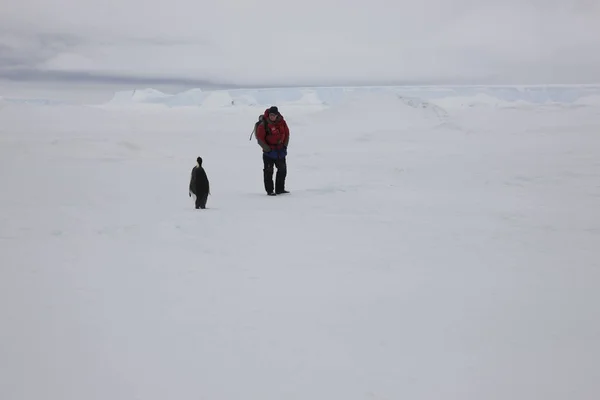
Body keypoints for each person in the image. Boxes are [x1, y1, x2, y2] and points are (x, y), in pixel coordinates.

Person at [254, 106, 290, 195]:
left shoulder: (282, 123)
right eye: (270, 115)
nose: (272, 117)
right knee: (268, 171)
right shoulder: (264, 124)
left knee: (282, 170)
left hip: (280, 151)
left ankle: (280, 189)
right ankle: (270, 191)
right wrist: (268, 149)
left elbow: (287, 134)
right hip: (268, 153)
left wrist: (284, 146)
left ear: (277, 115)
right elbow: (260, 139)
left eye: (273, 115)